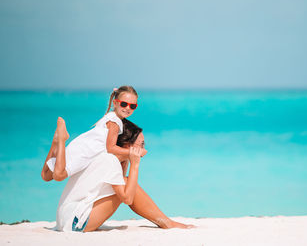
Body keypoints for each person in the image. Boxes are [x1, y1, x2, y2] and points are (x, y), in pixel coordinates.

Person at [52, 117, 194, 231]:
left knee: (124, 181)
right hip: (74, 223)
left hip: (66, 220)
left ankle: (166, 222)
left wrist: (126, 160)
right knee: (126, 183)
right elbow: (127, 198)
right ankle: (166, 222)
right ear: (127, 145)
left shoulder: (106, 158)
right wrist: (135, 164)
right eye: (141, 145)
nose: (145, 150)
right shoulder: (110, 161)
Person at [41, 86, 139, 182]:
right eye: (124, 104)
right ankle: (62, 140)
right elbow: (111, 148)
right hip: (85, 153)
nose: (128, 108)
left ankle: (56, 142)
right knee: (59, 176)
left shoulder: (110, 116)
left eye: (132, 106)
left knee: (46, 176)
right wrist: (132, 152)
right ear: (115, 103)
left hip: (80, 146)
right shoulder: (115, 123)